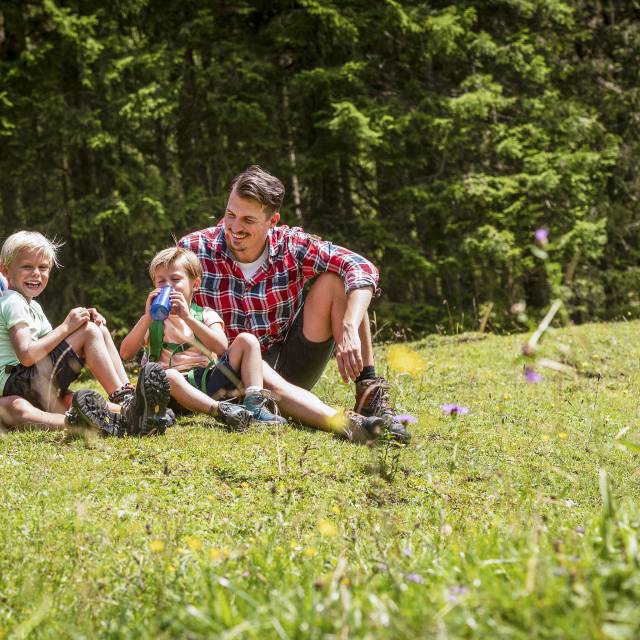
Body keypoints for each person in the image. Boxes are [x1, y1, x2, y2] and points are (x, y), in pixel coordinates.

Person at [179, 164, 409, 439]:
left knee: (337, 281)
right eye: (230, 215)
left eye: (248, 221)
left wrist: (348, 326)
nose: (235, 227)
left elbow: (360, 266)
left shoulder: (292, 244)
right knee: (252, 360)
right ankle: (348, 425)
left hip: (291, 363)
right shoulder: (194, 249)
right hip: (228, 373)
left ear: (272, 221)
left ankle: (368, 392)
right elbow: (168, 308)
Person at [120, 246, 407, 444]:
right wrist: (147, 317)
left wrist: (187, 318)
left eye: (175, 280)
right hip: (171, 392)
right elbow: (127, 352)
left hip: (209, 379)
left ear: (195, 285)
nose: (168, 286)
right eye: (160, 281)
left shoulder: (203, 314)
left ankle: (347, 422)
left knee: (248, 342)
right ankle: (225, 413)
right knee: (168, 375)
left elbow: (220, 347)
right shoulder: (153, 320)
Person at [0, 231, 173, 436]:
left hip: (29, 382)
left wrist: (78, 323)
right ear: (5, 270)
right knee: (90, 331)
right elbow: (27, 356)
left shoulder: (33, 307)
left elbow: (51, 344)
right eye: (27, 266)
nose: (36, 273)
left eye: (43, 267)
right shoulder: (13, 302)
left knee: (95, 328)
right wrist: (68, 327)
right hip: (19, 381)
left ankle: (134, 410)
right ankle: (126, 401)